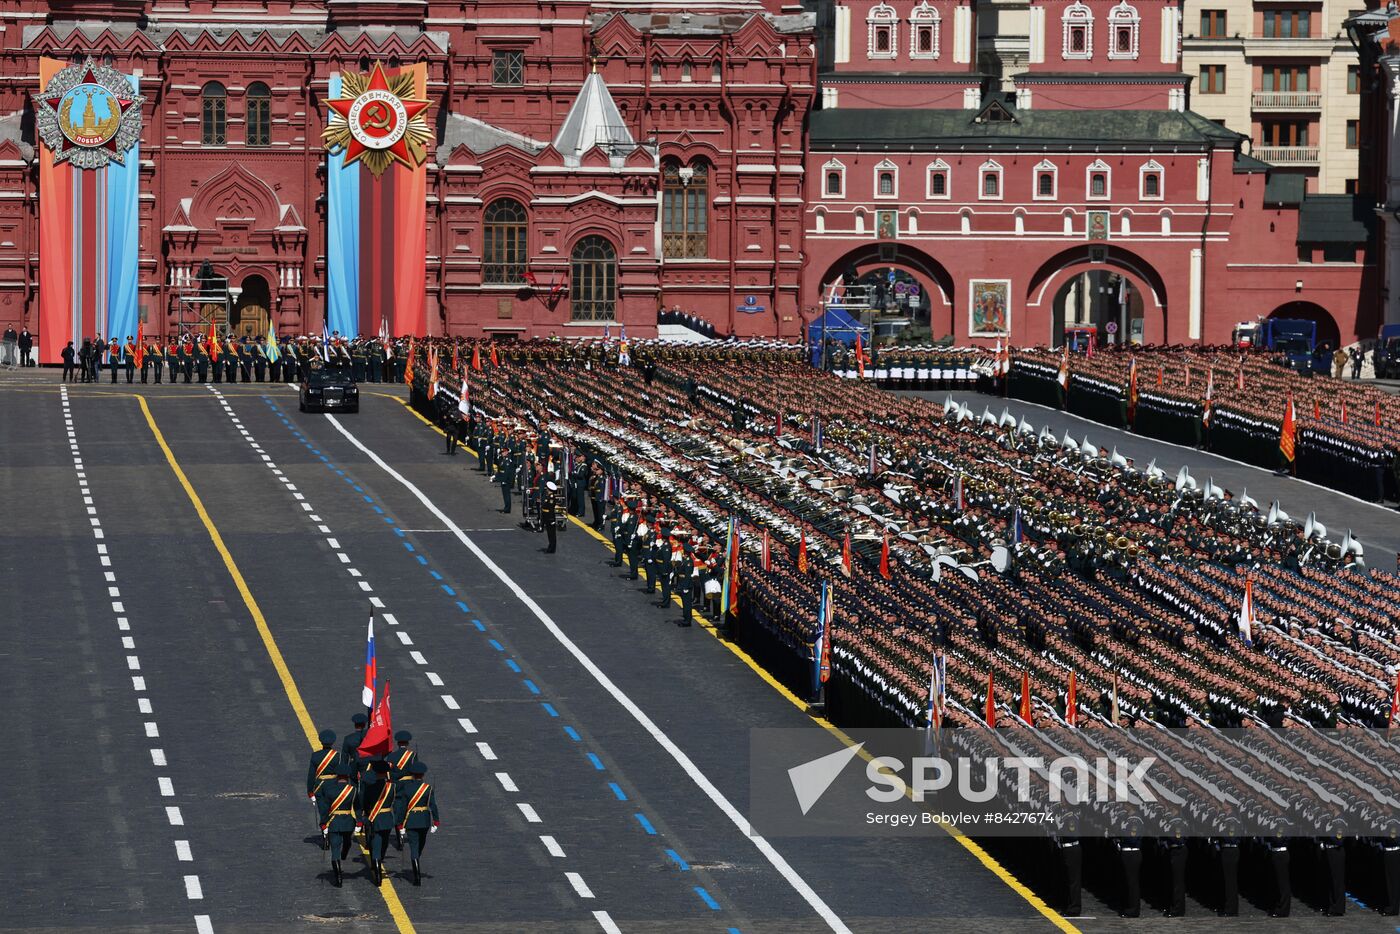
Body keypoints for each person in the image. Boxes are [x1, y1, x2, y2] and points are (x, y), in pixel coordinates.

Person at [392, 762, 439, 886]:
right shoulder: (428, 788)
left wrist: (400, 824)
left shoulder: (407, 789)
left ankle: (416, 868)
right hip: (424, 820)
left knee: (416, 847)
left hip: (411, 820)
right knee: (418, 845)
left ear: (412, 775)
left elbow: (402, 808)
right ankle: (417, 874)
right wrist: (436, 821)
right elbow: (433, 806)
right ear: (422, 775)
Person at [315, 764, 359, 887]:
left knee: (335, 851)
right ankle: (344, 854)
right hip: (348, 822)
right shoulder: (353, 790)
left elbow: (325, 810)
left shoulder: (329, 790)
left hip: (334, 822)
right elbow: (358, 807)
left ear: (337, 776)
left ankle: (338, 877)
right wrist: (359, 821)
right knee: (347, 842)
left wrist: (323, 824)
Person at [359, 760, 395, 887]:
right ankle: (379, 862)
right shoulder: (392, 787)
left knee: (376, 843)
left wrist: (365, 813)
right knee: (384, 843)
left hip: (374, 818)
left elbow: (365, 801)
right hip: (387, 818)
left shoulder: (370, 786)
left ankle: (377, 868)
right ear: (386, 773)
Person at [541, 481, 558, 553]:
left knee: (552, 534)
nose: (546, 489)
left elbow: (551, 509)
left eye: (547, 488)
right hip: (546, 516)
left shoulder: (551, 497)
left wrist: (551, 519)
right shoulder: (548, 496)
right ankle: (550, 546)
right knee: (549, 533)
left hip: (549, 517)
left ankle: (552, 548)